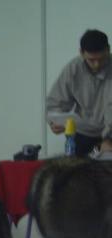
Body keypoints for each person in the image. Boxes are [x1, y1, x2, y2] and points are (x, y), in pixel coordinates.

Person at [46, 29, 112, 157]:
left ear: (108, 49)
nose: (97, 64)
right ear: (81, 53)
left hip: (109, 137)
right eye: (91, 60)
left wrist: (108, 139)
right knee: (80, 170)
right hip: (82, 136)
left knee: (105, 173)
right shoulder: (73, 69)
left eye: (101, 59)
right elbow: (55, 102)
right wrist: (54, 122)